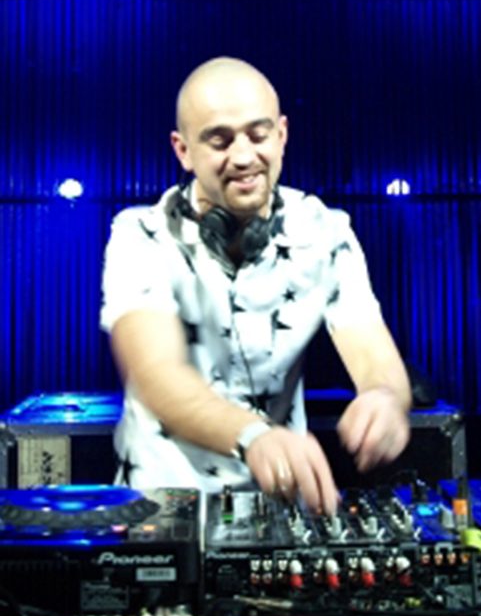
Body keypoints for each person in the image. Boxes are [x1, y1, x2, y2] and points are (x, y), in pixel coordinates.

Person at [100, 57, 411, 516]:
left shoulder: (325, 232)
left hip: (280, 510)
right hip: (163, 513)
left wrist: (385, 398)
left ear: (281, 135)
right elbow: (156, 375)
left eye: (258, 135)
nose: (244, 157)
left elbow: (374, 356)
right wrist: (253, 436)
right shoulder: (141, 236)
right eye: (220, 140)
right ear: (183, 151)